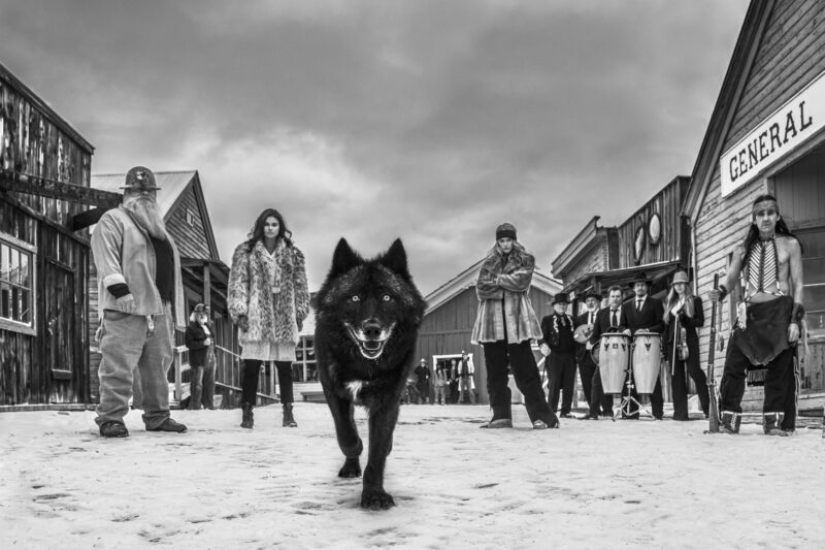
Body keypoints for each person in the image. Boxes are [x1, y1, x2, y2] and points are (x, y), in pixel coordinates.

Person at [90, 166, 188, 438]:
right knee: (118, 365)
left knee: (158, 367)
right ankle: (111, 417)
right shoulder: (113, 220)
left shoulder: (160, 228)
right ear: (126, 193)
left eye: (148, 192)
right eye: (137, 190)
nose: (143, 195)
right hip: (126, 306)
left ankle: (158, 415)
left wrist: (171, 310)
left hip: (158, 308)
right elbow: (106, 256)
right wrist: (121, 292)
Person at [709, 194, 804, 436]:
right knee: (733, 363)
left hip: (780, 312)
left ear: (777, 216)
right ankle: (729, 419)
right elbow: (730, 280)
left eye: (770, 213)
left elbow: (799, 284)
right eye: (760, 214)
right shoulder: (742, 249)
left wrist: (795, 320)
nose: (765, 218)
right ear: (754, 219)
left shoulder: (790, 245)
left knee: (781, 367)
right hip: (749, 313)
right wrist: (719, 292)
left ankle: (774, 423)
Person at [470, 223, 559, 429]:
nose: (505, 244)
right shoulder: (489, 262)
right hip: (492, 324)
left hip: (516, 323)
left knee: (526, 370)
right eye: (501, 240)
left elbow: (521, 283)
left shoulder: (526, 260)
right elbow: (481, 289)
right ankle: (501, 415)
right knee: (495, 373)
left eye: (508, 240)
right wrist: (505, 284)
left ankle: (543, 416)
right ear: (497, 242)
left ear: (514, 240)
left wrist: (497, 281)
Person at [228, 208, 310, 429]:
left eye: (274, 224)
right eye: (267, 224)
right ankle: (247, 412)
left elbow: (301, 285)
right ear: (260, 227)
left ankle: (288, 412)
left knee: (285, 365)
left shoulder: (293, 254)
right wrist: (240, 312)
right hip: (257, 311)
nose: (270, 228)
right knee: (252, 364)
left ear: (280, 227)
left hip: (283, 311)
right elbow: (238, 284)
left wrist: (300, 312)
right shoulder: (245, 252)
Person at [663, 271, 709, 421]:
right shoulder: (670, 303)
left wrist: (686, 319)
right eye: (676, 284)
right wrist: (664, 347)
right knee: (676, 376)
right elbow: (666, 326)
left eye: (682, 283)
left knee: (694, 371)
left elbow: (700, 322)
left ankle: (709, 409)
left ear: (686, 285)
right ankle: (680, 414)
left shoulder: (695, 300)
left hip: (688, 340)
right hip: (672, 342)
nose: (679, 286)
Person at [587, 286, 628, 420]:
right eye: (612, 296)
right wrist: (594, 345)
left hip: (623, 352)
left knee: (625, 381)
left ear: (622, 298)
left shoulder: (627, 312)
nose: (615, 299)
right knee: (596, 381)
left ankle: (628, 412)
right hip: (605, 353)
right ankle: (594, 412)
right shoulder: (601, 313)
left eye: (618, 296)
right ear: (608, 298)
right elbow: (595, 335)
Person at [576, 290, 613, 419]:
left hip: (600, 354)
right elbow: (576, 336)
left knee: (602, 382)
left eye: (593, 300)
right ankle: (594, 411)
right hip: (584, 355)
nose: (590, 303)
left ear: (598, 302)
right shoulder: (581, 318)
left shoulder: (605, 315)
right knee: (587, 384)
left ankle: (608, 410)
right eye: (588, 301)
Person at [540, 293, 577, 418]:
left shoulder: (572, 320)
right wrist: (543, 346)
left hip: (570, 356)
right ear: (554, 306)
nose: (562, 306)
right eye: (559, 304)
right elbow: (541, 337)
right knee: (554, 383)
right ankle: (551, 411)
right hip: (554, 355)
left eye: (564, 304)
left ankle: (566, 411)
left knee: (569, 384)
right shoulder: (547, 320)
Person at [184, 303, 216, 410]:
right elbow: (189, 344)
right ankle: (195, 407)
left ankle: (209, 407)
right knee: (197, 385)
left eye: (204, 313)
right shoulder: (191, 328)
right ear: (195, 314)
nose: (202, 315)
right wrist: (203, 343)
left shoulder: (207, 327)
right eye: (199, 313)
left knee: (209, 385)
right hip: (198, 360)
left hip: (211, 359)